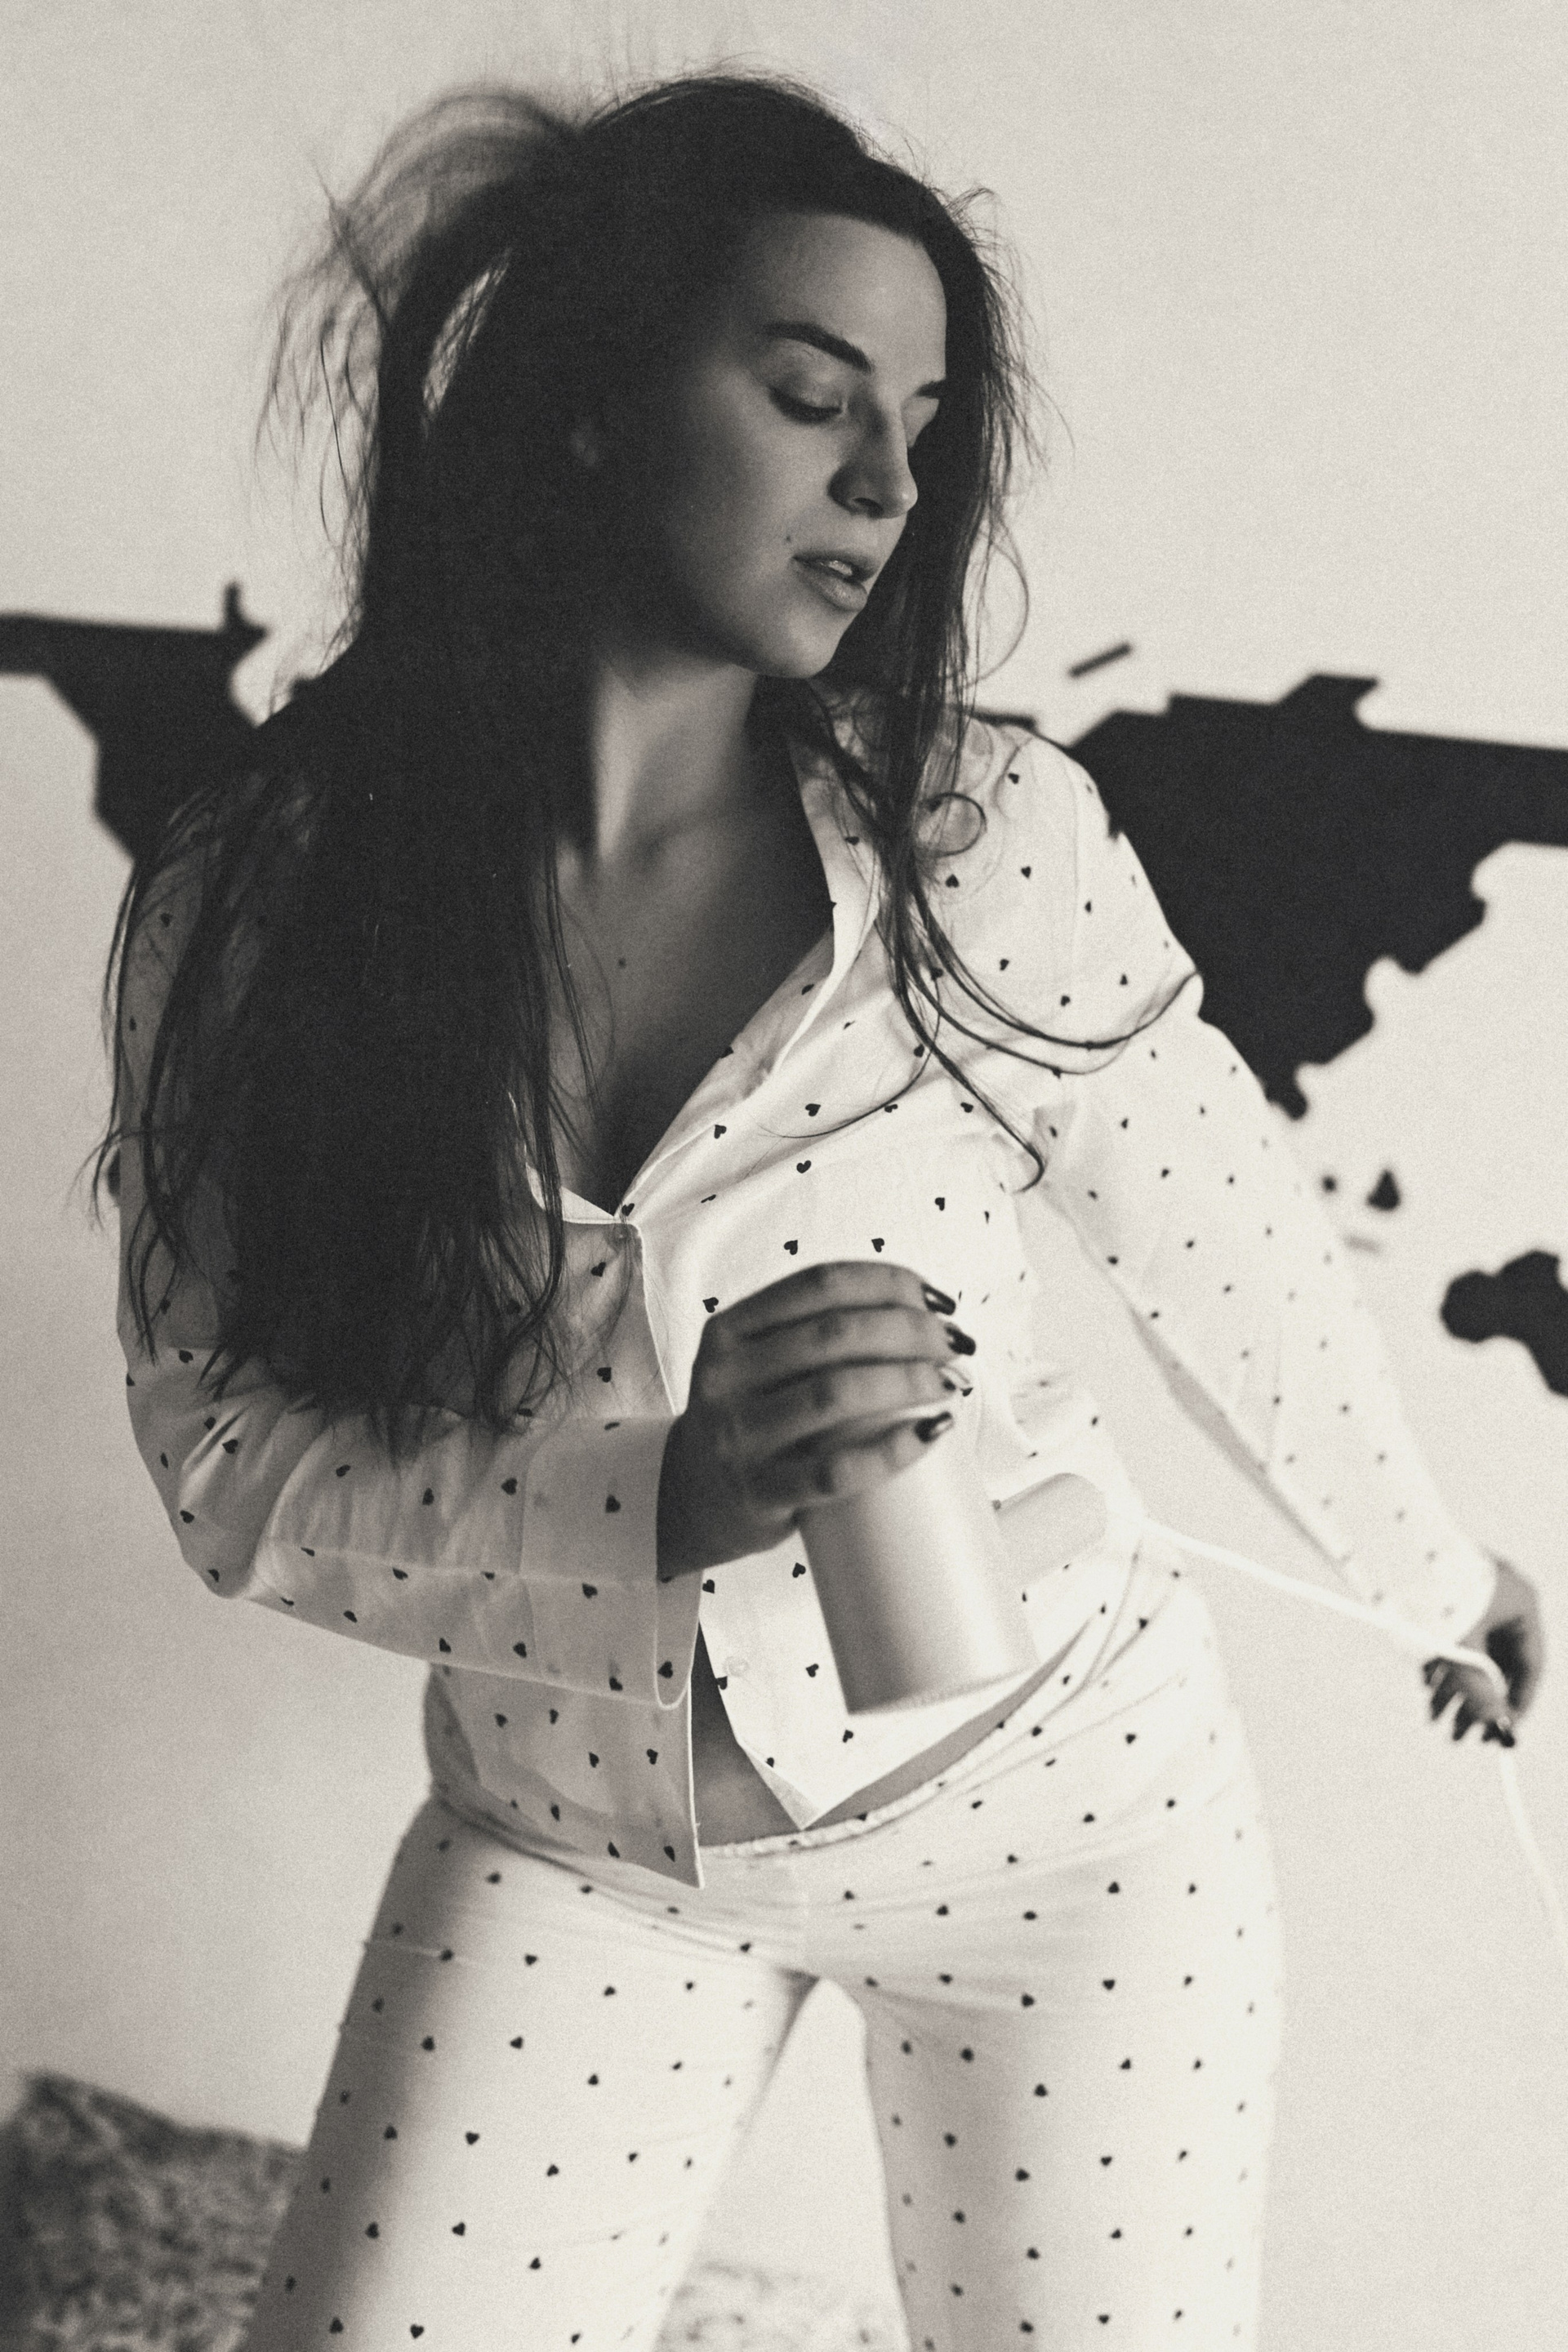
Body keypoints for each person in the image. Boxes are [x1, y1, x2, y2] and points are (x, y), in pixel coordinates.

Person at [104, 72, 1544, 2352]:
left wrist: (1441, 1581)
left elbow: (1232, 1251)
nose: (887, 484)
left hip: (1074, 1844)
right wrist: (659, 1495)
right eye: (809, 396)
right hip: (575, 1847)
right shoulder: (261, 899)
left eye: (923, 424)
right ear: (588, 401)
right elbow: (224, 1460)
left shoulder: (982, 842)